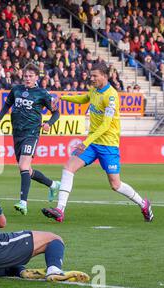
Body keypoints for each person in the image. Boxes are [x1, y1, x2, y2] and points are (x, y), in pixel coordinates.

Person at [42, 62, 153, 222]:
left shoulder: (111, 96)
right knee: (68, 168)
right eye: (91, 75)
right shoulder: (94, 90)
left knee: (115, 184)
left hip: (108, 144)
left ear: (104, 76)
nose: (91, 78)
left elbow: (106, 125)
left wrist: (86, 141)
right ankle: (60, 210)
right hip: (93, 143)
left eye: (95, 76)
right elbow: (84, 99)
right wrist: (62, 97)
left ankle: (143, 204)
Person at [0, 63, 61, 215]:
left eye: (30, 76)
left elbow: (56, 113)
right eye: (25, 76)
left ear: (36, 77)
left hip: (32, 133)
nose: (27, 79)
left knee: (23, 166)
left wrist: (49, 123)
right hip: (17, 133)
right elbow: (7, 104)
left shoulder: (42, 93)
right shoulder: (16, 90)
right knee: (27, 170)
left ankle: (23, 202)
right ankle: (53, 184)